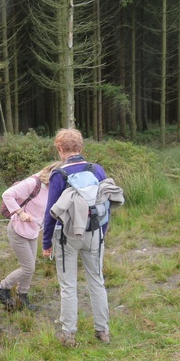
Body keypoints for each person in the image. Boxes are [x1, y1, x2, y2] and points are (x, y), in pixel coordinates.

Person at [42, 128, 123, 347]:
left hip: (66, 236)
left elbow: (51, 211)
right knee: (97, 281)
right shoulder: (97, 170)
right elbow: (105, 205)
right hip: (95, 233)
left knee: (68, 285)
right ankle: (102, 331)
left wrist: (46, 242)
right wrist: (102, 233)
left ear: (60, 149)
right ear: (81, 147)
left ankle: (68, 335)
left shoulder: (59, 175)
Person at [0, 161, 61, 311]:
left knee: (31, 266)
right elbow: (7, 194)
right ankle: (1, 288)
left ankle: (22, 295)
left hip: (32, 231)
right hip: (18, 230)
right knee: (28, 267)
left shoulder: (53, 189)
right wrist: (20, 212)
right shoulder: (33, 183)